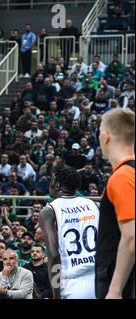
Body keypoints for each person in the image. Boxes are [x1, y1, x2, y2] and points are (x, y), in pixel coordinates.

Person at [39, 165, 99, 299]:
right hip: (101, 278)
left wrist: (56, 294)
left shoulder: (49, 211)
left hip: (73, 284)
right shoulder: (95, 205)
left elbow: (54, 255)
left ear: (57, 185)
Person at [95, 108, 135, 299]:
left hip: (122, 283)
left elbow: (131, 237)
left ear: (106, 136)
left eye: (100, 130)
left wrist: (115, 289)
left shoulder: (123, 176)